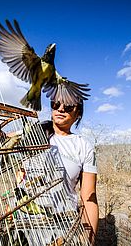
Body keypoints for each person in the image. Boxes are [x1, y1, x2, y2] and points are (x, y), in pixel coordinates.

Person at [43, 100, 98, 244]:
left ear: (78, 114)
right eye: (56, 104)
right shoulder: (33, 134)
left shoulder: (83, 146)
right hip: (22, 220)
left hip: (60, 224)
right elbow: (3, 142)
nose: (60, 109)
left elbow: (89, 198)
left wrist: (88, 240)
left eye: (68, 107)